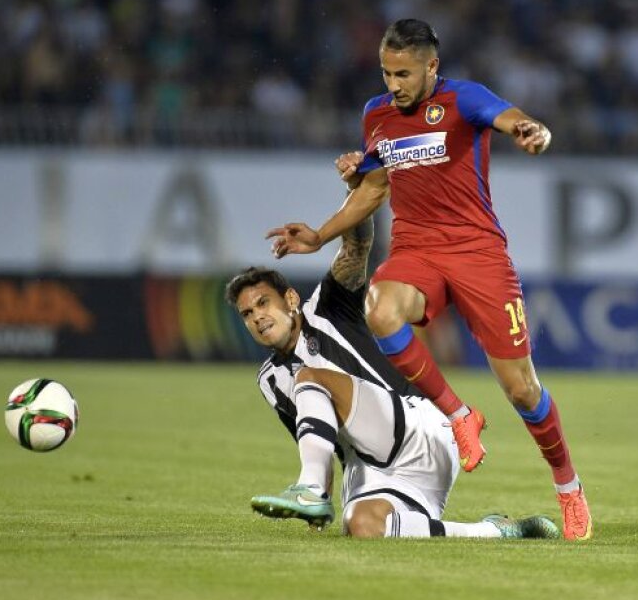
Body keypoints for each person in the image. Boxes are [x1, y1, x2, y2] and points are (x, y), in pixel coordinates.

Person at [265, 18, 592, 541]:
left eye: (403, 73)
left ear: (431, 67)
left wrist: (533, 130)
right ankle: (460, 415)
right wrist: (322, 235)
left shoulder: (464, 100)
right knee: (380, 308)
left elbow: (513, 119)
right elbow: (374, 190)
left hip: (478, 254)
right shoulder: (376, 114)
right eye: (386, 72)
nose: (393, 84)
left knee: (523, 389)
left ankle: (569, 488)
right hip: (417, 251)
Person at [225, 206, 558, 540]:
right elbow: (316, 442)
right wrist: (321, 501)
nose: (257, 316)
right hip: (373, 464)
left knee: (310, 377)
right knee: (362, 526)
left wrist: (355, 188)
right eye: (247, 313)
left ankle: (308, 488)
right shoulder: (269, 380)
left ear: (290, 298)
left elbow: (357, 247)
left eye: (264, 303)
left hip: (420, 429)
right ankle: (495, 531)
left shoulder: (328, 307)